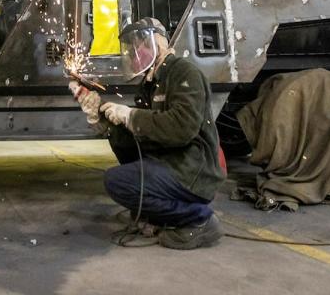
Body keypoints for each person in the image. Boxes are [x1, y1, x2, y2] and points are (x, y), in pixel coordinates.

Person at [70, 17, 226, 250]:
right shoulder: (149, 84)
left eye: (140, 43)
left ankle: (198, 218)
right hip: (171, 162)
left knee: (118, 182)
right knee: (127, 175)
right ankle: (163, 215)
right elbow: (139, 138)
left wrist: (131, 116)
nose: (135, 51)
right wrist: (101, 119)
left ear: (159, 41)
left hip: (192, 170)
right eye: (131, 46)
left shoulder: (185, 73)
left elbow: (181, 129)